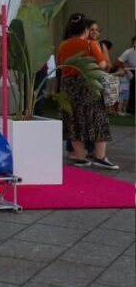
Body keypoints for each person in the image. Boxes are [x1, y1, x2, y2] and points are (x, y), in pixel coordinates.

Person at [57, 14, 118, 170]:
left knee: (73, 119)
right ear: (86, 28)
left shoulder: (62, 45)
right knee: (97, 119)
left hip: (68, 86)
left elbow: (61, 65)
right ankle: (99, 156)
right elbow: (103, 65)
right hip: (88, 85)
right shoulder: (90, 44)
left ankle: (79, 155)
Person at [115, 35, 136, 116]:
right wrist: (124, 67)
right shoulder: (128, 51)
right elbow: (117, 63)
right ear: (133, 43)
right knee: (131, 91)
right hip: (131, 72)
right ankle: (131, 109)